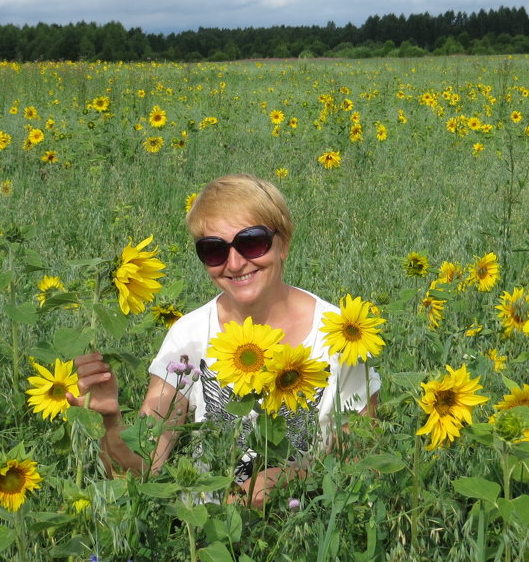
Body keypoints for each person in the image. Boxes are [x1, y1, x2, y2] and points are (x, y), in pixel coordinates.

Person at [70, 174, 379, 508]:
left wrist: (288, 481)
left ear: (284, 243)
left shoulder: (340, 334)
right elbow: (143, 468)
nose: (234, 263)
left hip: (311, 533)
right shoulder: (190, 335)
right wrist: (109, 421)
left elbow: (362, 454)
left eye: (252, 242)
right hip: (210, 531)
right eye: (214, 250)